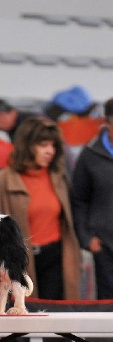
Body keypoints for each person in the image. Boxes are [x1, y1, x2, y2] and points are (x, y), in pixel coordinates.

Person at [0, 116, 80, 300]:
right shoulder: (3, 181)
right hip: (20, 259)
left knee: (54, 318)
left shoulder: (59, 178)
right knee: (22, 318)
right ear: (28, 145)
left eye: (53, 146)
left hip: (55, 257)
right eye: (43, 145)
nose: (50, 151)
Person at [71, 98, 113, 299]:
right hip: (104, 245)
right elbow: (78, 200)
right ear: (107, 122)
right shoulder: (89, 155)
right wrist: (87, 238)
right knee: (107, 303)